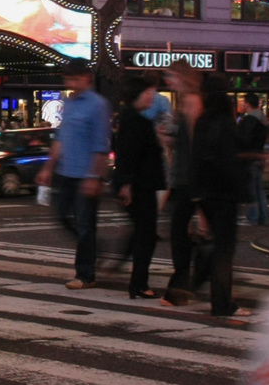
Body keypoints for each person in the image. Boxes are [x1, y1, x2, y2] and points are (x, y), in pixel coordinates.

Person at [36, 61, 111, 290]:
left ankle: (85, 274)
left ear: (87, 78)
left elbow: (101, 144)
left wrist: (94, 176)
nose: (71, 83)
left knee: (85, 223)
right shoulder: (67, 103)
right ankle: (94, 248)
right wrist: (48, 167)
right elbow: (60, 137)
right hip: (65, 171)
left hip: (85, 173)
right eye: (68, 79)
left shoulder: (98, 105)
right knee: (62, 216)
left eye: (75, 79)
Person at [183, 75, 247, 318]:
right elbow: (231, 157)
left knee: (217, 246)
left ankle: (207, 289)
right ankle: (222, 302)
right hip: (225, 192)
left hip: (206, 192)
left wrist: (197, 194)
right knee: (224, 250)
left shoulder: (202, 121)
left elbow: (196, 158)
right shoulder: (226, 122)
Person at [112, 74, 166, 299]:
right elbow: (128, 154)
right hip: (141, 185)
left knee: (143, 233)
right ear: (137, 96)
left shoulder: (132, 118)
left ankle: (137, 281)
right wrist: (126, 184)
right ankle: (139, 284)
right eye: (147, 93)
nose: (151, 96)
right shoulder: (135, 121)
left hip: (140, 183)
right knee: (146, 234)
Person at [160, 62, 203, 307]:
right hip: (181, 177)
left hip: (190, 178)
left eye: (171, 77)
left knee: (182, 234)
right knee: (182, 234)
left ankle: (180, 288)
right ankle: (185, 286)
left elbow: (197, 143)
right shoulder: (183, 103)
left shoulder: (193, 101)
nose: (169, 82)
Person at [235, 93, 269, 226]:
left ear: (248, 104)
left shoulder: (249, 120)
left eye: (243, 102)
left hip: (250, 157)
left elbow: (245, 140)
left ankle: (253, 217)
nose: (242, 105)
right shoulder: (261, 119)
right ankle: (264, 217)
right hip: (259, 155)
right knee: (259, 189)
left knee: (251, 190)